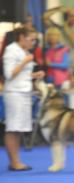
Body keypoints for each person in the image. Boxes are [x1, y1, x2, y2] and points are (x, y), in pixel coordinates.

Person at [3, 27, 45, 171]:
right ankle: (14, 162)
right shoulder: (11, 50)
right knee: (12, 128)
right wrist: (25, 62)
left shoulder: (25, 52)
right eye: (31, 39)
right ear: (22, 37)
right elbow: (9, 74)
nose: (33, 42)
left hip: (24, 93)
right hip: (14, 94)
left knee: (18, 129)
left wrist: (34, 75)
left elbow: (21, 75)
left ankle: (16, 161)